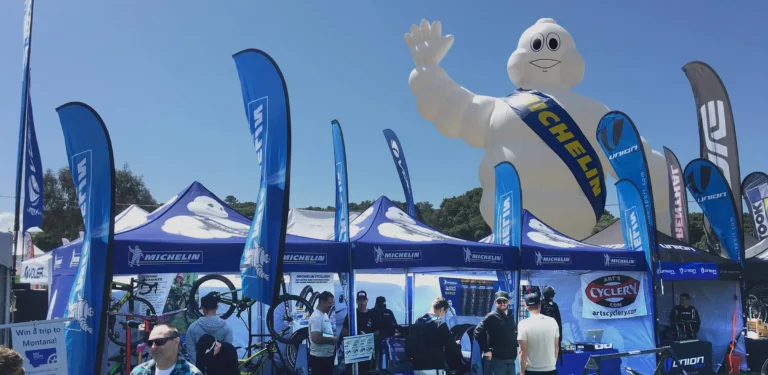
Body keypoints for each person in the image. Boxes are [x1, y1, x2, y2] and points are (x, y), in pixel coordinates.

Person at [405, 297, 467, 375]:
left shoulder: (419, 321)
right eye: (445, 312)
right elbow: (450, 346)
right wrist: (457, 345)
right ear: (442, 309)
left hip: (417, 368)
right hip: (434, 368)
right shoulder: (440, 324)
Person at [131, 324, 202, 375]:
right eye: (150, 343)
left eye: (159, 341)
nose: (153, 347)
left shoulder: (193, 373)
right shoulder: (138, 372)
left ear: (176, 341)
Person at [474, 291, 517, 375]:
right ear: (495, 302)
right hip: (497, 361)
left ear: (508, 302)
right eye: (499, 301)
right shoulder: (492, 316)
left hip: (511, 360)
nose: (502, 304)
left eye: (504, 301)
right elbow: (477, 332)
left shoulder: (511, 316)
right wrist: (486, 350)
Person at [186, 292, 234, 365]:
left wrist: (198, 369)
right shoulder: (226, 326)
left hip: (199, 370)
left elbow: (191, 352)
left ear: (202, 307)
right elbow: (227, 350)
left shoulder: (193, 327)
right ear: (217, 307)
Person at [518, 293, 559, 375]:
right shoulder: (552, 321)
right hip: (550, 369)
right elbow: (556, 347)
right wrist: (552, 364)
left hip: (532, 370)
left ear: (526, 306)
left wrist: (522, 372)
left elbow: (522, 351)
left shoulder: (523, 324)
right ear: (540, 304)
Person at [309, 291, 338, 375]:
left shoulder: (324, 314)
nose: (331, 306)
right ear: (322, 302)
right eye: (329, 303)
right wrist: (332, 339)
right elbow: (316, 338)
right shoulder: (317, 317)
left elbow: (322, 333)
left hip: (327, 356)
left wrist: (332, 337)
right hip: (320, 359)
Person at [540, 286, 563, 362]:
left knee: (553, 357)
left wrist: (560, 337)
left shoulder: (554, 305)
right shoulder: (541, 305)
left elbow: (559, 321)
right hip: (543, 335)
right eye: (549, 294)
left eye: (552, 294)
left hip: (554, 334)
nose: (550, 296)